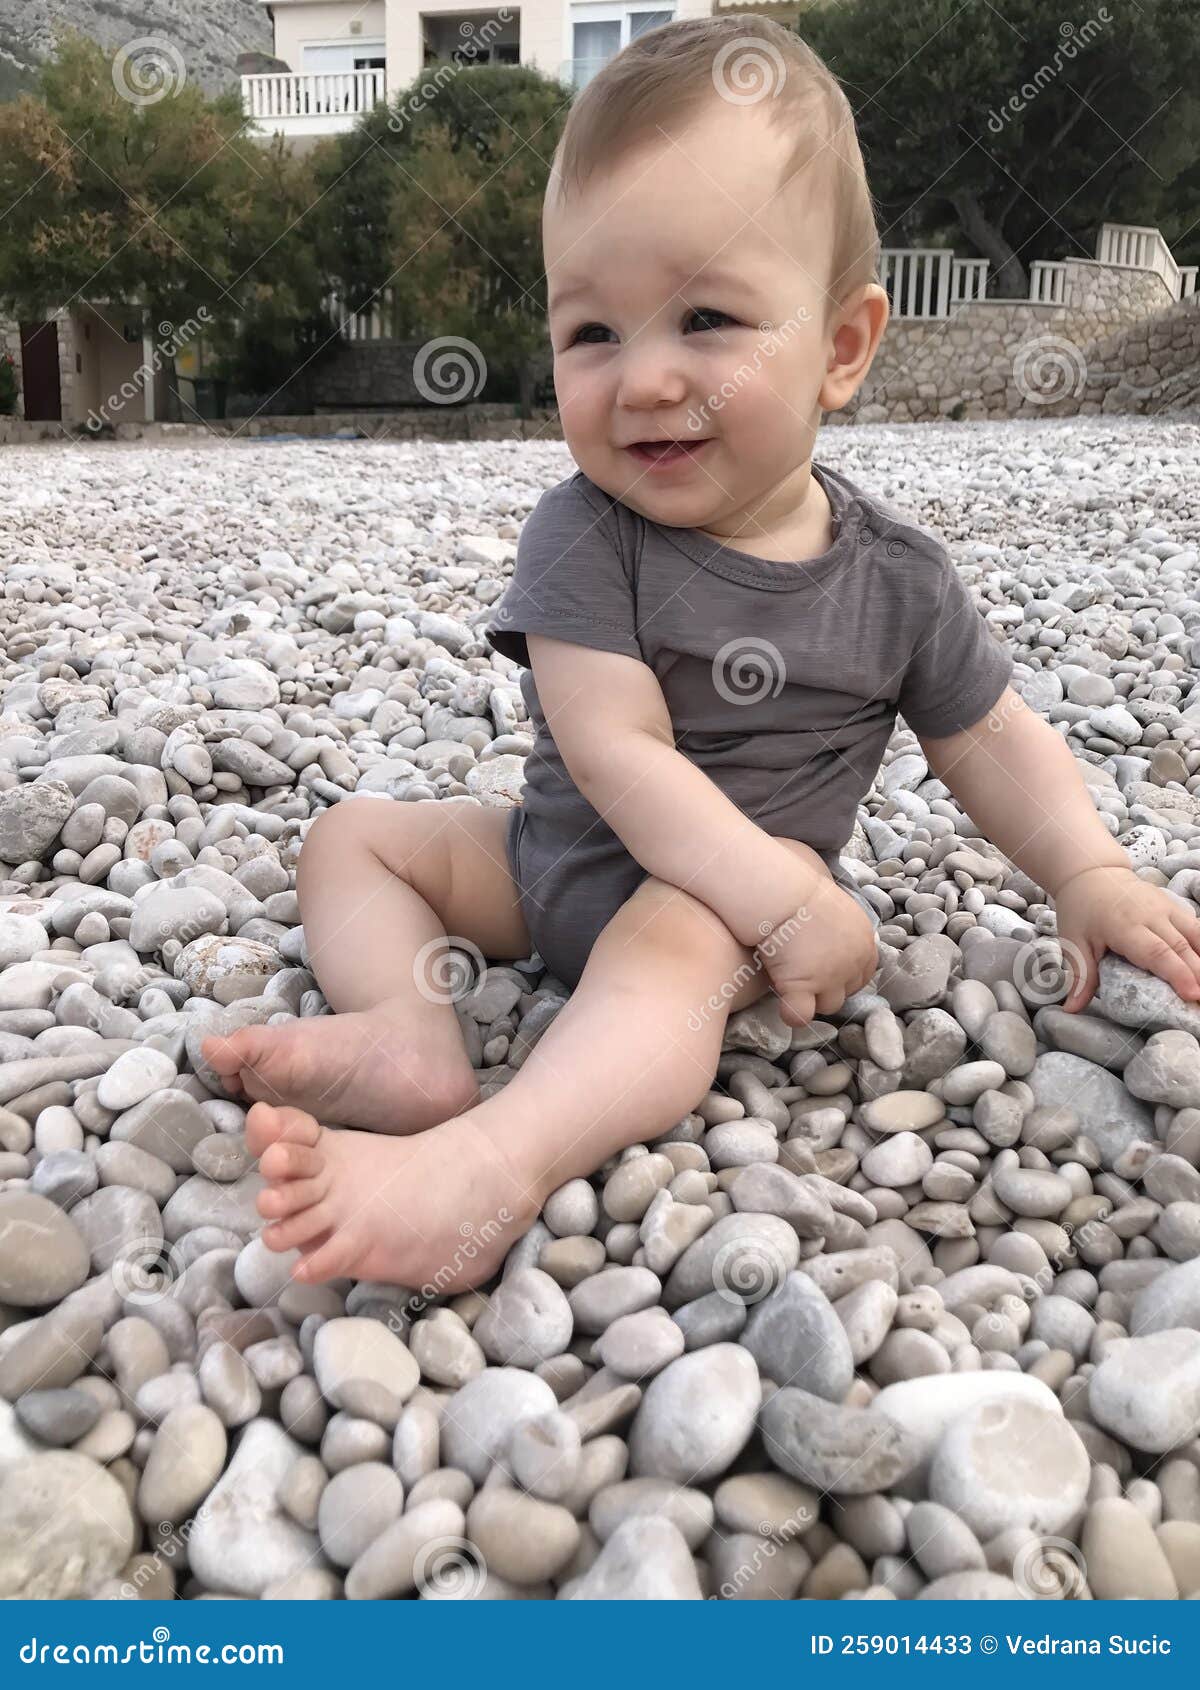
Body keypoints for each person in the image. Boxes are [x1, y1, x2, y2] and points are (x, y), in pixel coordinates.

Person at [203, 17, 1200, 1292]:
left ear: (841, 347)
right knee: (356, 834)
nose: (645, 380)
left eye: (708, 319)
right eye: (593, 335)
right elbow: (614, 752)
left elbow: (991, 737)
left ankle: (491, 1164)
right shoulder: (585, 532)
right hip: (550, 862)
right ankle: (409, 1032)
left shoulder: (896, 579)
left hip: (727, 908)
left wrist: (1087, 867)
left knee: (673, 936)